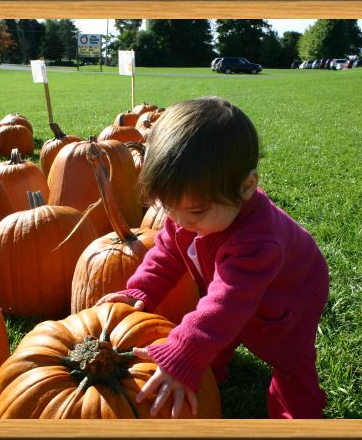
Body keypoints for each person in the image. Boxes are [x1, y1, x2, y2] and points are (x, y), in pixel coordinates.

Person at [96, 96, 329, 419]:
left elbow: (228, 302)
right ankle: (209, 378)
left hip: (292, 295)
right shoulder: (191, 212)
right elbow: (167, 250)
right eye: (168, 208)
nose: (180, 222)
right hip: (239, 290)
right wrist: (143, 289)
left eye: (194, 212)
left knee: (291, 362)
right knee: (217, 329)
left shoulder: (259, 241)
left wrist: (183, 353)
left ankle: (300, 417)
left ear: (247, 187)